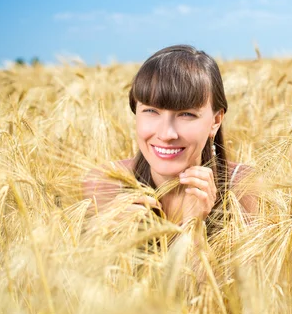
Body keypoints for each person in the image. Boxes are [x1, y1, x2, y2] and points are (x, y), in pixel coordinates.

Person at [83, 45, 257, 235]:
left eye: (186, 114)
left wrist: (194, 229)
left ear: (215, 121)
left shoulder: (245, 188)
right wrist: (111, 239)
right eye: (151, 111)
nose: (166, 134)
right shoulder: (104, 184)